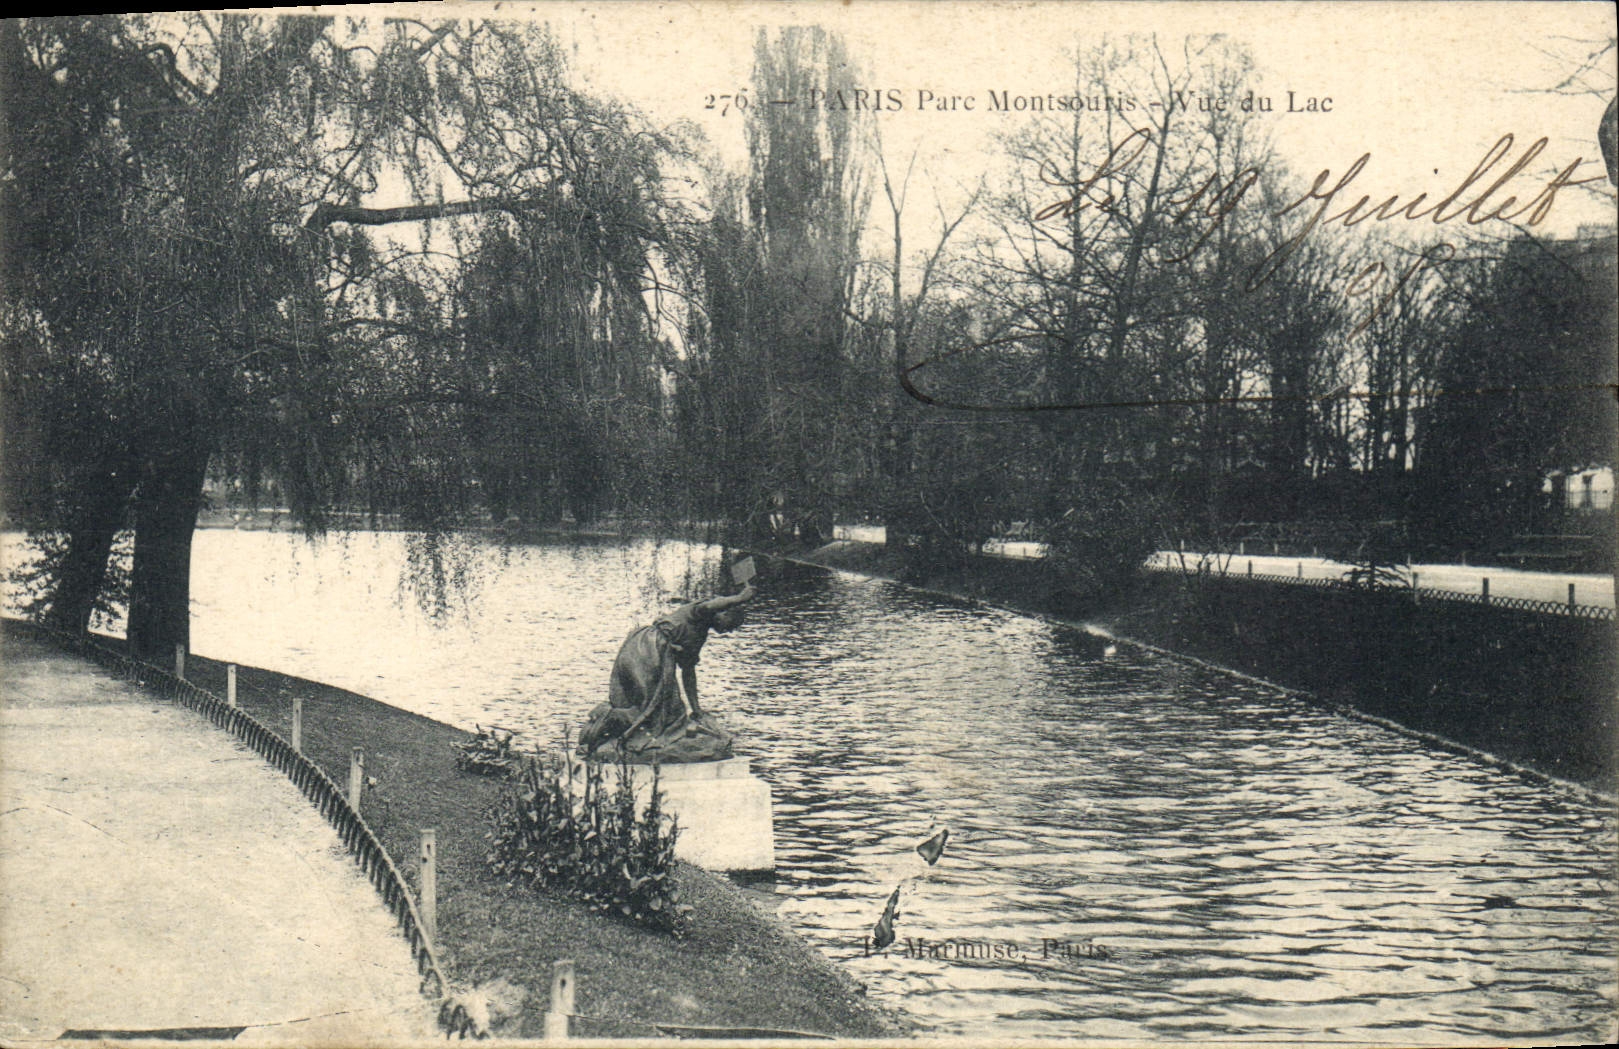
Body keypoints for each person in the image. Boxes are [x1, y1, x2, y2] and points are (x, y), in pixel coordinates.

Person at [579, 583, 757, 762]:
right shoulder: (700, 612)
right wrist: (740, 598)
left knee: (660, 707)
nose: (729, 630)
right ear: (723, 613)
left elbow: (688, 673)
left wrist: (696, 709)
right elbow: (711, 605)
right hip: (650, 648)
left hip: (644, 648)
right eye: (732, 624)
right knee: (657, 707)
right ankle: (623, 733)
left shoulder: (699, 635)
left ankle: (614, 728)